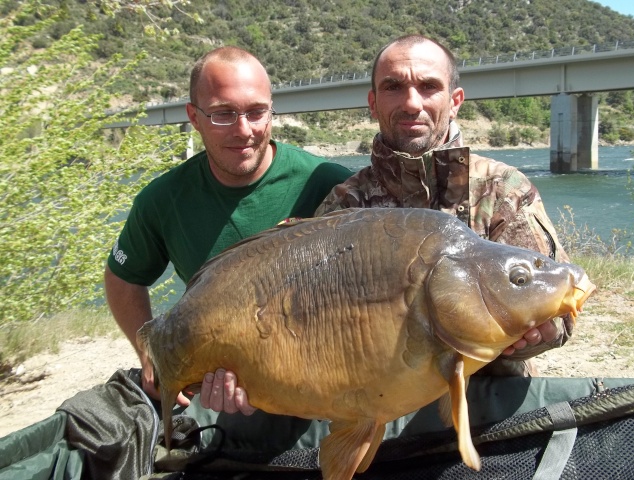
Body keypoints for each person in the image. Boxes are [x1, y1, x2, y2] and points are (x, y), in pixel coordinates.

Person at [104, 46, 352, 411]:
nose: (244, 130)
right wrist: (151, 352)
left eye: (256, 112)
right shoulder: (162, 200)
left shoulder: (330, 183)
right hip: (226, 385)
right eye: (223, 114)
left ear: (272, 110)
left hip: (327, 383)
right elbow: (123, 278)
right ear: (194, 117)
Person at [314, 34, 572, 375]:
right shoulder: (345, 205)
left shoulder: (502, 190)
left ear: (454, 101)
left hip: (488, 402)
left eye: (428, 86)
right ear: (373, 103)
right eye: (393, 87)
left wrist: (541, 332)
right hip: (376, 401)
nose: (411, 103)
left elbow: (561, 310)